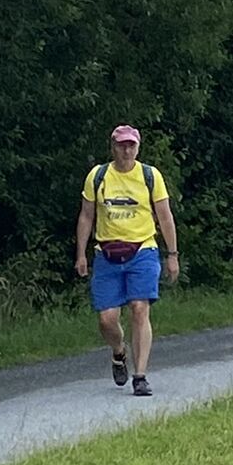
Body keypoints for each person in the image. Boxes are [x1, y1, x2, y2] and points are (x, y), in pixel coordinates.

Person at [75, 125, 180, 396]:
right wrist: (81, 254)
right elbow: (87, 216)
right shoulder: (98, 176)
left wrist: (172, 255)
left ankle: (140, 376)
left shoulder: (150, 176)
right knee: (107, 319)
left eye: (131, 145)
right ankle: (119, 350)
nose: (126, 150)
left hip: (142, 249)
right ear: (113, 147)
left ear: (138, 147)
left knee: (139, 308)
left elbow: (165, 216)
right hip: (107, 253)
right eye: (122, 145)